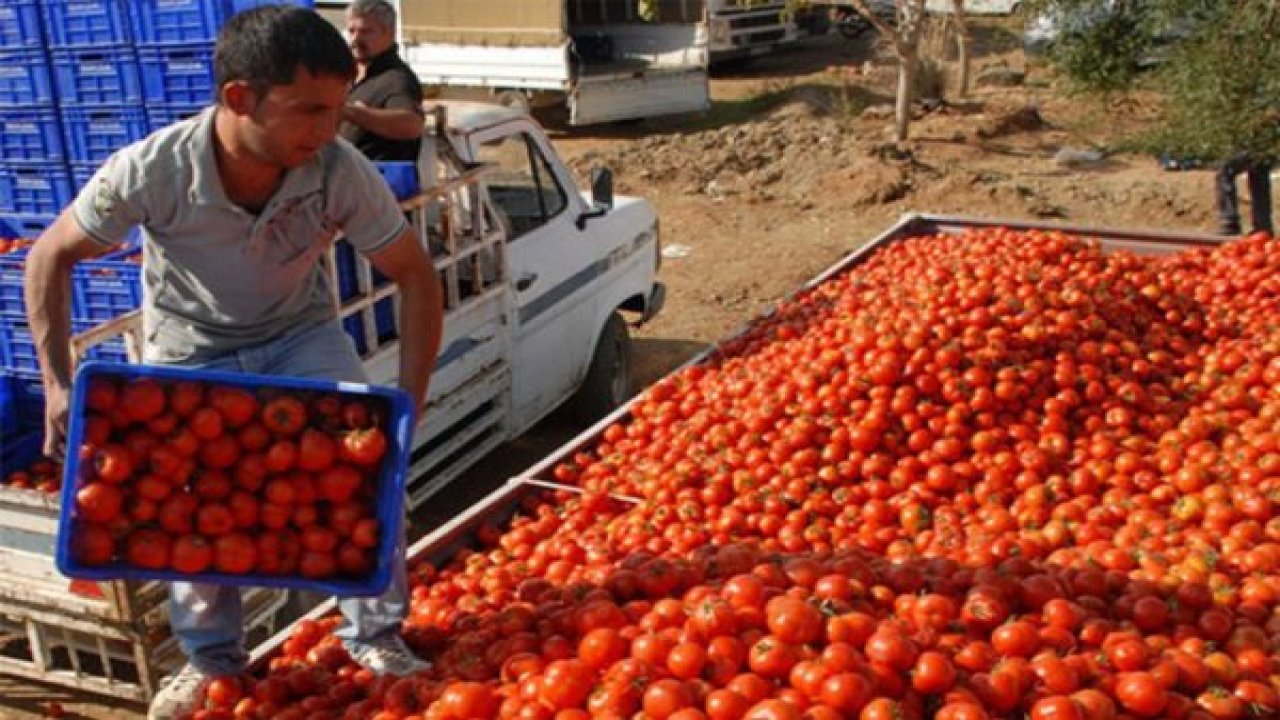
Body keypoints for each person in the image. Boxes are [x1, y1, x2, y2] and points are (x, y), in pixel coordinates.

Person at [22, 7, 444, 719]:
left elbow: (416, 275)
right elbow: (48, 256)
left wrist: (410, 402)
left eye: (337, 108)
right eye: (310, 110)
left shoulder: (337, 169)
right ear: (239, 98)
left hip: (298, 332)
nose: (330, 129)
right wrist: (57, 385)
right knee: (191, 498)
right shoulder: (154, 168)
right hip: (192, 341)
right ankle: (210, 659)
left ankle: (374, 636)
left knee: (369, 474)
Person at [339, 0, 424, 163]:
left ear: (389, 34)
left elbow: (411, 125)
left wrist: (353, 113)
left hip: (376, 177)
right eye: (351, 31)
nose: (355, 39)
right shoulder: (348, 74)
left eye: (366, 31)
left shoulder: (397, 79)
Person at [1216, 152, 1274, 236]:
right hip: (1265, 149)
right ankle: (1263, 226)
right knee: (1260, 171)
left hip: (1251, 148)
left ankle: (1230, 222)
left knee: (1225, 170)